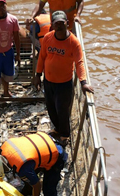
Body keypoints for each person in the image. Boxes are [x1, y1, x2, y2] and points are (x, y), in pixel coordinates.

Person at [33, 11, 94, 144]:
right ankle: (57, 129)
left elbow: (79, 63)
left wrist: (83, 82)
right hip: (48, 81)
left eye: (62, 23)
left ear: (67, 23)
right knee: (51, 107)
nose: (59, 26)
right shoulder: (48, 38)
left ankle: (65, 135)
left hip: (64, 83)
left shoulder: (73, 42)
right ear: (53, 25)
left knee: (62, 110)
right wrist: (37, 75)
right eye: (57, 24)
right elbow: (42, 57)